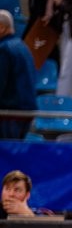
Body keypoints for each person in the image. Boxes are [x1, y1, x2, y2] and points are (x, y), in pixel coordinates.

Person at [0, 11, 37, 140]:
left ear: (2, 27)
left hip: (10, 114)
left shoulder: (4, 49)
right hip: (25, 112)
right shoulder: (22, 46)